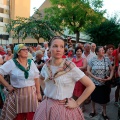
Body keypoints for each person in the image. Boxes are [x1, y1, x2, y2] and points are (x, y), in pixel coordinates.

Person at [33, 36, 95, 120]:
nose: (58, 49)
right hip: (46, 107)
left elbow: (91, 85)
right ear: (49, 48)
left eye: (61, 46)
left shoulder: (70, 66)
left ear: (63, 50)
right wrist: (46, 92)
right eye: (55, 46)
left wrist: (77, 103)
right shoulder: (46, 66)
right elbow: (41, 79)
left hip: (64, 108)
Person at [0, 44, 42, 120]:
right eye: (24, 50)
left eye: (27, 49)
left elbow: (36, 78)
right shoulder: (11, 63)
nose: (26, 51)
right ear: (18, 53)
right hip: (17, 95)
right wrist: (7, 86)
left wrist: (38, 93)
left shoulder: (31, 62)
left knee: (32, 116)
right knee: (18, 117)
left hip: (31, 96)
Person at [87, 46, 114, 120]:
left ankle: (104, 112)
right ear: (97, 52)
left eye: (103, 50)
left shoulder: (107, 59)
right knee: (93, 97)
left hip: (104, 83)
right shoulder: (92, 59)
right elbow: (88, 70)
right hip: (94, 82)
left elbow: (111, 69)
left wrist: (110, 77)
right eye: (101, 50)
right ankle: (93, 110)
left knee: (104, 98)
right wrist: (95, 77)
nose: (103, 51)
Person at [72, 47, 87, 112]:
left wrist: (75, 68)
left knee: (81, 93)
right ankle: (75, 105)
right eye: (77, 51)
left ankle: (82, 106)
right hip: (74, 79)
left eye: (80, 51)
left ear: (82, 52)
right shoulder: (73, 59)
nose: (79, 52)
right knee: (74, 92)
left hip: (81, 79)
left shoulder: (84, 59)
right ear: (75, 52)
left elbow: (84, 67)